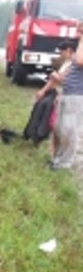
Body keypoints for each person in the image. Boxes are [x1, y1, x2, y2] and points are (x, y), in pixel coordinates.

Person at [33, 39, 76, 155]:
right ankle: (52, 151)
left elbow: (62, 80)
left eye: (62, 52)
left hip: (65, 96)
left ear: (69, 50)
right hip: (58, 95)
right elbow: (54, 80)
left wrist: (54, 76)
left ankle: (59, 153)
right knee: (53, 124)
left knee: (60, 126)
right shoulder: (66, 63)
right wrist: (43, 90)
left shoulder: (73, 64)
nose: (60, 54)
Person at [51, 24, 83, 172]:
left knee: (70, 129)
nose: (78, 31)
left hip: (77, 95)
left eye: (80, 28)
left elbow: (80, 61)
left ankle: (65, 163)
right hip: (67, 93)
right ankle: (58, 158)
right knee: (60, 128)